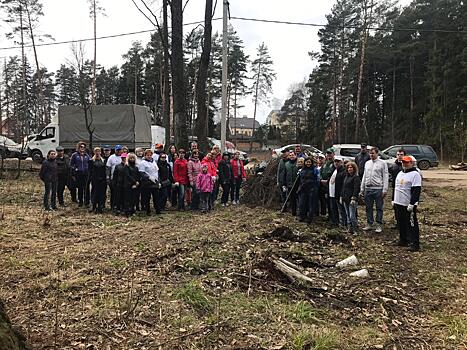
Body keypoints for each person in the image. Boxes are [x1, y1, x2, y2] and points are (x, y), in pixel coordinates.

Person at [393, 156, 422, 251]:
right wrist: (393, 199)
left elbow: (416, 190)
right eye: (403, 162)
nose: (404, 164)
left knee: (411, 224)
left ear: (411, 163)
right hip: (398, 202)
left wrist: (412, 203)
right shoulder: (400, 173)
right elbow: (396, 187)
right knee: (400, 222)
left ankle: (415, 243)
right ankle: (403, 240)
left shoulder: (415, 174)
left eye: (407, 162)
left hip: (408, 204)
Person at [360, 147, 389, 233]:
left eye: (373, 153)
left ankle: (379, 224)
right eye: (370, 153)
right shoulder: (367, 163)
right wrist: (362, 188)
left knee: (379, 207)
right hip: (368, 188)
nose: (371, 155)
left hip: (378, 188)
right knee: (368, 207)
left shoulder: (382, 163)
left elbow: (385, 176)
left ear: (377, 153)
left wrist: (385, 189)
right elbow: (365, 176)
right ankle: (369, 223)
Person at [297, 158, 320, 224]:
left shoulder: (315, 170)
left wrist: (313, 185)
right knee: (302, 204)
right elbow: (300, 180)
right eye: (307, 162)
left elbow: (317, 180)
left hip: (312, 189)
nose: (308, 163)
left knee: (311, 204)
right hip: (303, 189)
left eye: (309, 162)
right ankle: (302, 217)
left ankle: (310, 218)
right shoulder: (302, 170)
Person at [341, 161, 361, 234]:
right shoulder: (346, 177)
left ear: (354, 168)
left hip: (352, 199)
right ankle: (349, 229)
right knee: (347, 215)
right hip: (345, 198)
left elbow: (356, 188)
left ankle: (355, 229)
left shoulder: (356, 177)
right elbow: (343, 187)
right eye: (348, 167)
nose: (349, 169)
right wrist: (341, 196)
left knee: (352, 215)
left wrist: (354, 198)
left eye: (351, 167)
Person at [138, 149, 160, 215]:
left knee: (156, 197)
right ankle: (148, 210)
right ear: (145, 155)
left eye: (150, 155)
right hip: (147, 183)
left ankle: (157, 210)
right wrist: (148, 177)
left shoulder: (154, 162)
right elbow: (141, 172)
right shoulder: (143, 163)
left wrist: (158, 181)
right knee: (147, 198)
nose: (149, 156)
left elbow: (157, 171)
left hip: (155, 182)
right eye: (148, 155)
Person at [389, 149, 407, 228]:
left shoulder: (406, 165)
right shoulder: (393, 165)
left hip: (405, 189)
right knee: (396, 206)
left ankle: (405, 223)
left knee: (404, 207)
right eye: (398, 154)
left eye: (401, 154)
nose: (399, 156)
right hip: (395, 189)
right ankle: (398, 222)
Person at [70, 142, 91, 207]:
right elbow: (71, 164)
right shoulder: (75, 155)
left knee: (86, 188)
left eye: (84, 147)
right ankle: (80, 201)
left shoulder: (86, 155)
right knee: (80, 188)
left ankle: (87, 202)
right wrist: (74, 169)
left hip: (86, 173)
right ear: (78, 147)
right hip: (78, 174)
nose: (82, 148)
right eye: (81, 147)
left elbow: (90, 163)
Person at [88, 147, 107, 213]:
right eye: (96, 151)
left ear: (100, 152)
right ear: (94, 152)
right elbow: (90, 171)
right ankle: (93, 205)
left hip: (102, 180)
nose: (97, 152)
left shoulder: (103, 160)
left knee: (102, 194)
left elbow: (105, 170)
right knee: (94, 193)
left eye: (98, 151)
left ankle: (100, 206)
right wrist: (89, 179)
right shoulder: (91, 161)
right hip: (94, 180)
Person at [329, 156, 345, 226]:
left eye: (338, 161)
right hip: (332, 193)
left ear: (341, 162)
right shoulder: (334, 170)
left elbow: (343, 184)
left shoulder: (343, 171)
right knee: (333, 208)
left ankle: (343, 223)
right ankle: (335, 221)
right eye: (335, 161)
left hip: (338, 193)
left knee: (341, 210)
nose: (336, 163)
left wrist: (341, 194)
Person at [320, 148, 336, 220]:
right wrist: (321, 180)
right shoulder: (324, 164)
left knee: (332, 202)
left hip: (331, 185)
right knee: (326, 201)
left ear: (333, 154)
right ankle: (329, 215)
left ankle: (333, 216)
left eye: (330, 153)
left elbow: (334, 174)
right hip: (324, 186)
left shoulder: (334, 164)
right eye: (327, 154)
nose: (329, 155)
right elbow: (320, 172)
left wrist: (327, 181)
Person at [106, 145, 123, 211]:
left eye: (120, 150)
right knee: (113, 193)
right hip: (113, 178)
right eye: (117, 150)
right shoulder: (111, 157)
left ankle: (121, 206)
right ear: (115, 150)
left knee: (121, 193)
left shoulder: (124, 157)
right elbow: (108, 168)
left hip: (122, 179)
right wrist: (108, 177)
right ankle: (113, 206)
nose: (119, 151)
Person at [284, 151, 299, 216]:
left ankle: (301, 211)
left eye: (293, 155)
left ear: (296, 155)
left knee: (299, 198)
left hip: (298, 184)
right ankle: (294, 212)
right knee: (292, 199)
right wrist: (284, 183)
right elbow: (285, 174)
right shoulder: (286, 164)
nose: (291, 156)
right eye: (290, 155)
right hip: (290, 184)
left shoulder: (298, 163)